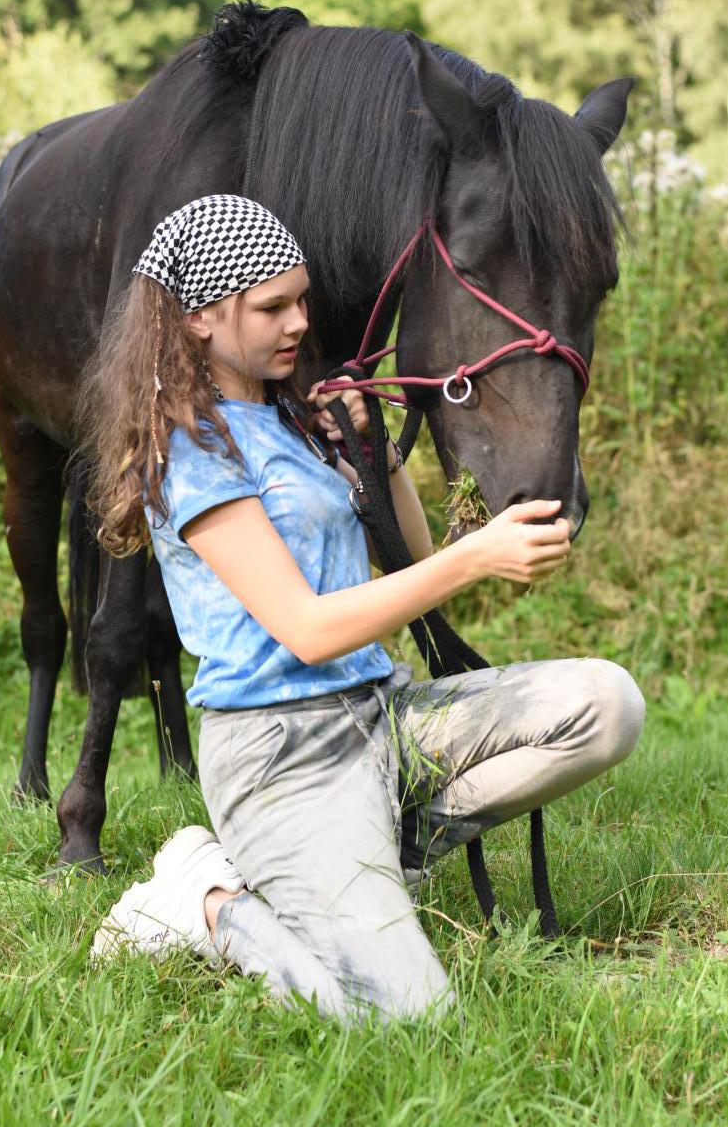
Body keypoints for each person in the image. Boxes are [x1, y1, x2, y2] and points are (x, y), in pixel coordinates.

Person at [83, 194, 644, 1022]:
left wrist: (375, 454)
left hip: (382, 715)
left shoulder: (293, 419)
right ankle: (203, 904)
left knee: (605, 705)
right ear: (199, 318)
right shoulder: (194, 452)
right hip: (283, 756)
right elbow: (309, 631)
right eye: (272, 307)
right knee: (402, 1014)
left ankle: (386, 849)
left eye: (301, 299)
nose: (298, 323)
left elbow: (406, 560)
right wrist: (475, 558)